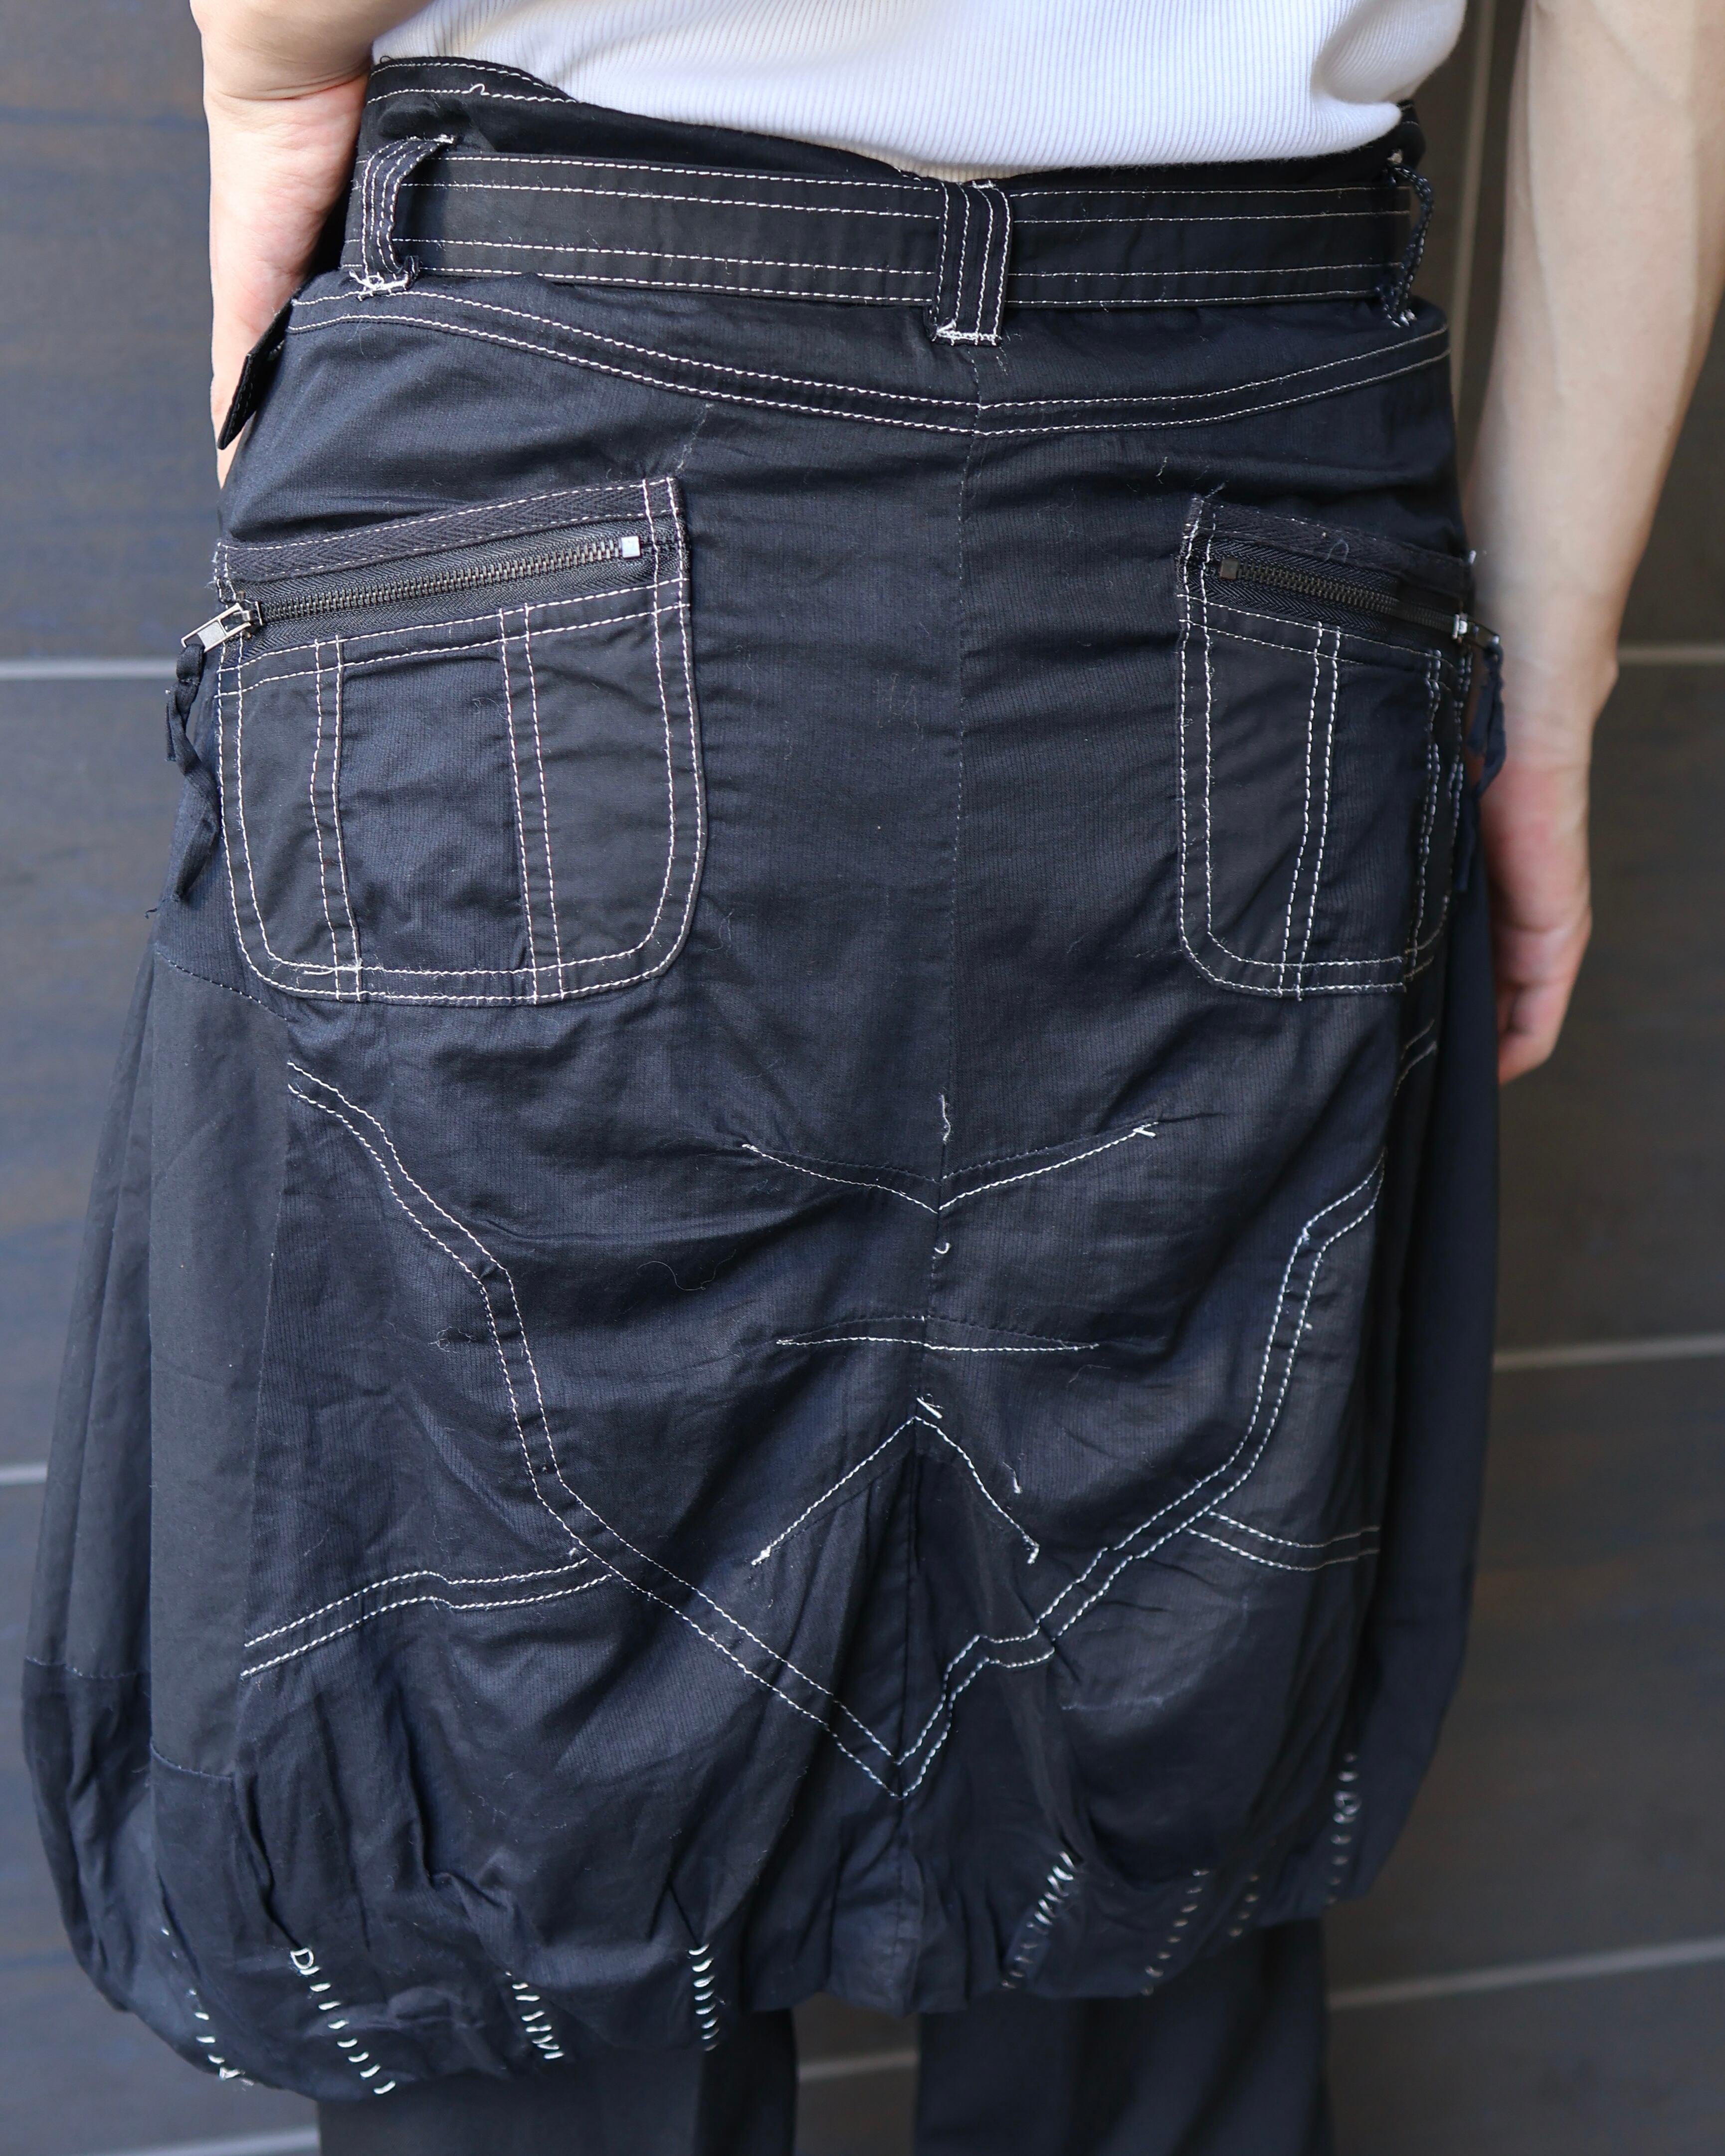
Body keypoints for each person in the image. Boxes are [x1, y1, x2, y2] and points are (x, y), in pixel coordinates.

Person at [24, 2, 1725, 2152]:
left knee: (521, 1804)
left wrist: (270, 76)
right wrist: (1539, 689)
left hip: (568, 400)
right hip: (1248, 488)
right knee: (1155, 1727)